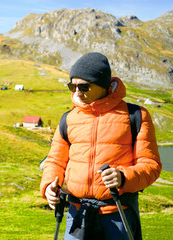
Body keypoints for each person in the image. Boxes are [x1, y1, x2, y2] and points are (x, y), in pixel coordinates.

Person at [40, 52, 162, 240]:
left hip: (119, 214)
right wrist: (49, 185)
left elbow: (151, 166)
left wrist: (123, 177)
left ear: (104, 85)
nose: (77, 93)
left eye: (84, 86)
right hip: (77, 213)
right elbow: (55, 161)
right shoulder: (68, 119)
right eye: (72, 86)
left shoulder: (136, 115)